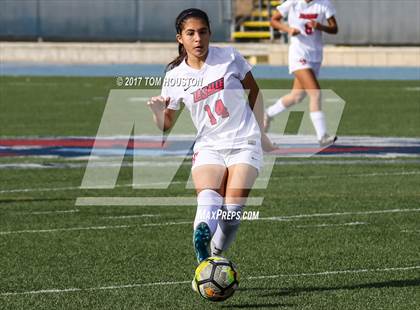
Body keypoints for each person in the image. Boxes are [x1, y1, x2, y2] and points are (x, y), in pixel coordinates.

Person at [147, 8, 275, 279]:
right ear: (180, 38)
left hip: (244, 142)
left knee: (231, 212)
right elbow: (166, 124)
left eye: (202, 32)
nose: (198, 39)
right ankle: (203, 255)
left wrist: (261, 128)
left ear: (210, 33)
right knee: (208, 199)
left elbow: (253, 90)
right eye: (190, 33)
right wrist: (158, 112)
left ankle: (214, 254)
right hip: (209, 146)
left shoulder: (229, 57)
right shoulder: (175, 76)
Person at [265, 0, 339, 147]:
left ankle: (268, 113)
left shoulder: (324, 4)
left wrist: (320, 26)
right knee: (315, 93)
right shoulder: (293, 3)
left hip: (315, 56)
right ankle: (322, 136)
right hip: (298, 54)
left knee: (296, 96)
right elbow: (273, 20)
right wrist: (288, 30)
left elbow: (334, 28)